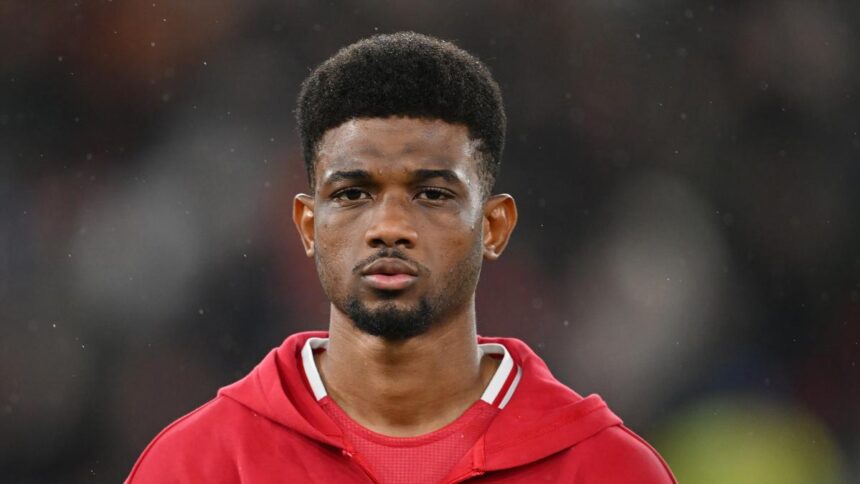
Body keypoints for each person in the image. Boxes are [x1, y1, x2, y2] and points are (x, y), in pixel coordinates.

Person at [127, 32, 676, 483]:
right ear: (308, 226)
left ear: (493, 227)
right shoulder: (197, 466)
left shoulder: (607, 470)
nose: (389, 228)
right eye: (352, 194)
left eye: (432, 194)